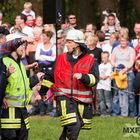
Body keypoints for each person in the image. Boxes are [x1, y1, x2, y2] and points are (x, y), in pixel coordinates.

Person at [40, 29, 99, 140]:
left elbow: (95, 79)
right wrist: (43, 91)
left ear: (77, 44)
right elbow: (50, 75)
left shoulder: (90, 60)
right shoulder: (61, 58)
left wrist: (83, 77)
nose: (66, 44)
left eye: (69, 42)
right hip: (64, 98)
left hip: (82, 101)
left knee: (71, 127)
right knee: (74, 125)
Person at [0, 42, 44, 140]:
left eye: (24, 46)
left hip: (22, 111)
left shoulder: (20, 63)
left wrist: (36, 79)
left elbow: (22, 84)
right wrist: (5, 75)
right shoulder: (3, 61)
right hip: (9, 112)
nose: (24, 48)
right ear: (13, 46)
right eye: (21, 45)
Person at [111, 34, 136, 117]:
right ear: (119, 41)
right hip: (117, 74)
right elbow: (112, 60)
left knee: (130, 94)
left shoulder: (131, 50)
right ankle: (116, 113)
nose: (123, 42)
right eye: (121, 40)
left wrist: (125, 69)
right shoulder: (115, 49)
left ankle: (132, 113)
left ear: (127, 41)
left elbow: (132, 62)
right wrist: (117, 67)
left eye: (124, 40)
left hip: (128, 73)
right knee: (116, 94)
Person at [97, 51, 112, 116]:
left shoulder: (110, 65)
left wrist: (102, 76)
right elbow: (98, 75)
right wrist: (100, 76)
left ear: (108, 58)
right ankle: (103, 112)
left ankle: (108, 112)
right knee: (101, 99)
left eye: (105, 57)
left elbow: (106, 76)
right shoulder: (99, 66)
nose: (103, 59)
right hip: (100, 85)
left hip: (107, 85)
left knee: (107, 99)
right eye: (102, 58)